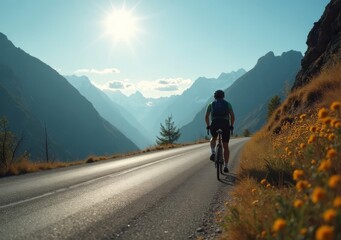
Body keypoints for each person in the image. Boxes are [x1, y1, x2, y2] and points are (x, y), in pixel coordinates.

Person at [205, 90, 235, 173]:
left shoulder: (211, 104)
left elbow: (206, 116)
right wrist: (231, 125)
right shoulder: (228, 104)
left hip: (215, 124)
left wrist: (208, 125)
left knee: (213, 138)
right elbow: (232, 116)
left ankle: (213, 152)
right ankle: (225, 165)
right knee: (225, 146)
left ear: (215, 96)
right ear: (223, 96)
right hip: (225, 125)